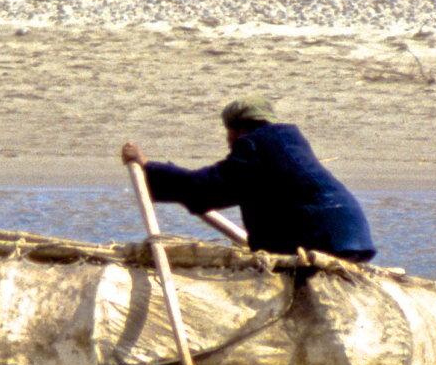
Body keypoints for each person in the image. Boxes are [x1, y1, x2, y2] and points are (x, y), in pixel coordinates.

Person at [121, 96, 375, 263]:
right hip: (353, 239)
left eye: (228, 134)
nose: (229, 142)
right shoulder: (286, 144)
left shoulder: (255, 147)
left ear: (237, 130)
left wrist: (148, 166)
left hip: (321, 241)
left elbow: (204, 188)